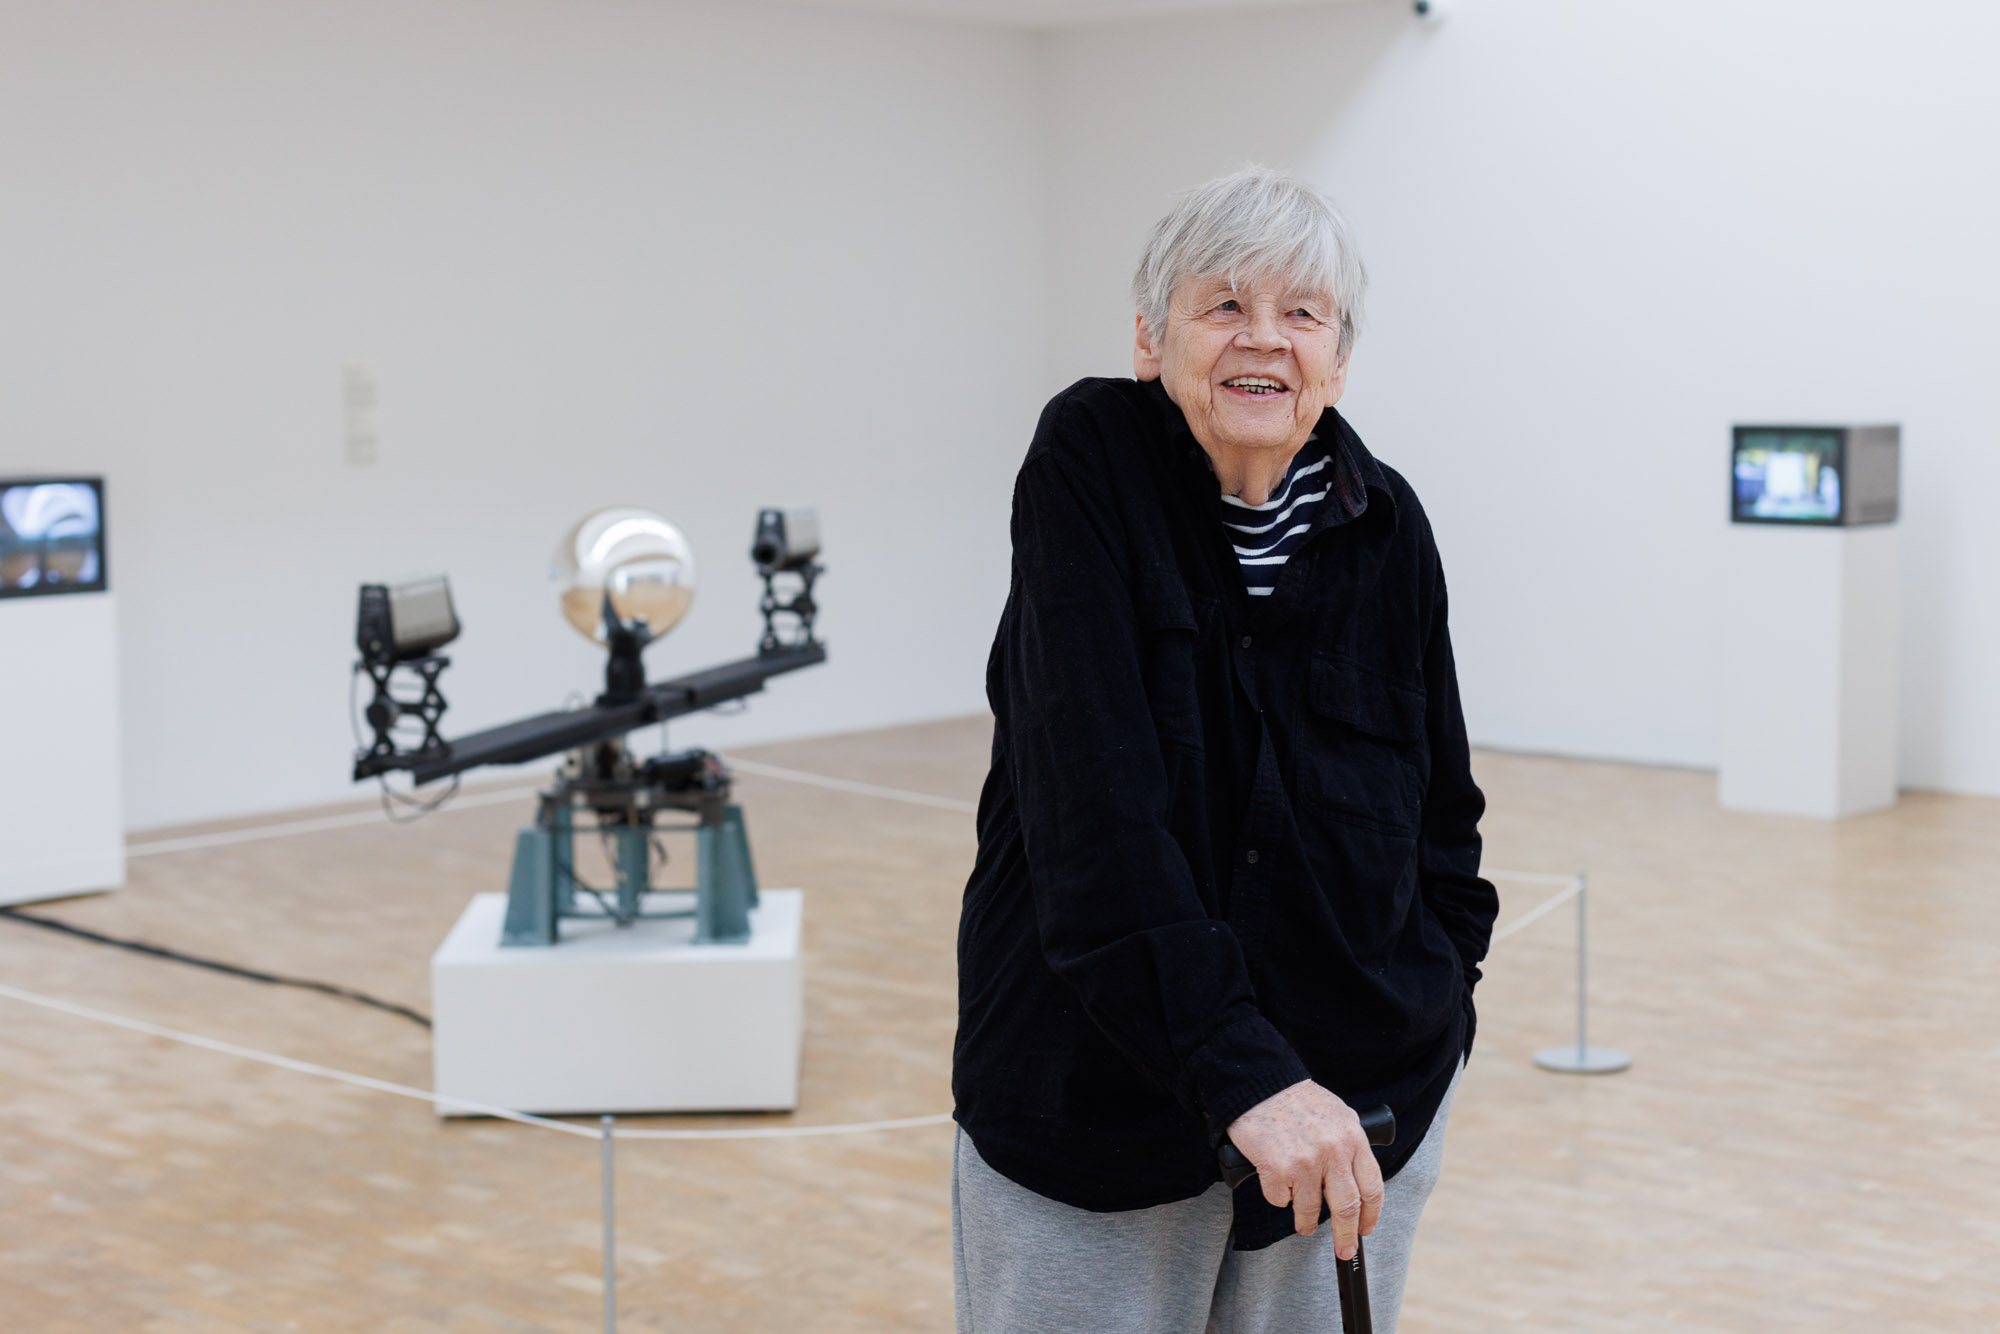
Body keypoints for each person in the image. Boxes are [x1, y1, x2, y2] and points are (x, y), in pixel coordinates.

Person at [951, 165, 1499, 1333]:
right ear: (1151, 341)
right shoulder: (1089, 461)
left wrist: (1438, 1009)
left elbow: (1441, 817)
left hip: (1354, 1111)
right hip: (1099, 1109)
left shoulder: (1388, 527)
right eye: (1224, 304)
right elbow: (1095, 815)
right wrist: (1242, 1070)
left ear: (1336, 360)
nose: (1264, 338)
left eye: (1301, 312)